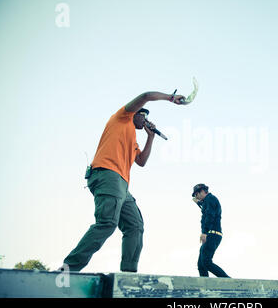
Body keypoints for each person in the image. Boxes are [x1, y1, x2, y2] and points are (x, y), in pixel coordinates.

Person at [61, 91, 186, 272]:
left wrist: (150, 138)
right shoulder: (121, 118)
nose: (145, 120)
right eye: (142, 116)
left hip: (121, 185)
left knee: (135, 225)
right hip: (107, 174)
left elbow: (141, 161)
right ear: (133, 113)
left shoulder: (133, 138)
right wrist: (170, 98)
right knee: (107, 223)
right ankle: (68, 268)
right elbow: (146, 96)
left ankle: (129, 272)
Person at [192, 184, 230, 278]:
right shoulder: (209, 201)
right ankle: (205, 285)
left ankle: (227, 280)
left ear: (202, 192)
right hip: (211, 234)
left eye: (196, 195)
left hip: (212, 234)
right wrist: (198, 203)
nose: (196, 197)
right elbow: (206, 209)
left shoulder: (210, 199)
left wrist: (204, 232)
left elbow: (209, 215)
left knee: (206, 262)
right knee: (201, 264)